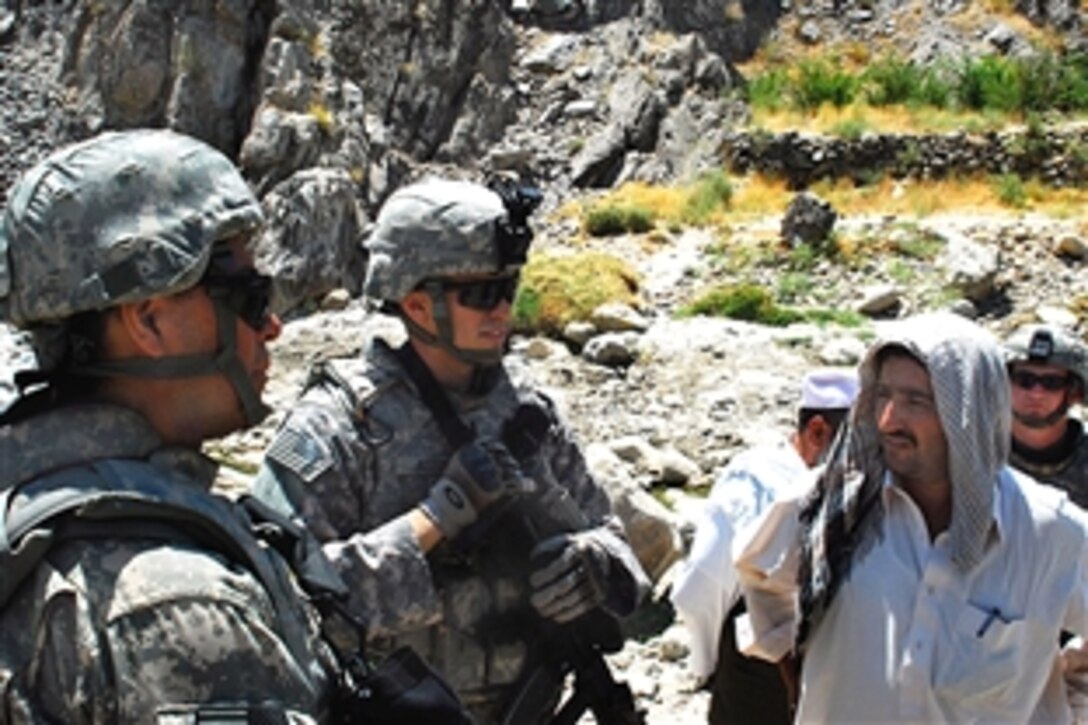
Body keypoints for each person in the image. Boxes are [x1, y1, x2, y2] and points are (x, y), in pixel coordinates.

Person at [253, 176, 649, 723]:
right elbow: (280, 604)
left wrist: (593, 567)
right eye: (481, 294)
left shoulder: (528, 410)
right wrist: (431, 521)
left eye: (507, 290)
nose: (501, 310)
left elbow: (618, 546)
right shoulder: (342, 423)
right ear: (417, 303)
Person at [0, 129, 342, 722]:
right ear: (150, 322)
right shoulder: (181, 604)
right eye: (251, 297)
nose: (274, 327)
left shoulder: (29, 493)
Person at [735, 312, 1088, 723]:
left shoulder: (1050, 534)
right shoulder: (824, 508)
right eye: (882, 395)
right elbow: (763, 586)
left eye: (916, 402)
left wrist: (1068, 706)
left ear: (970, 413)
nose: (888, 420)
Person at [670, 368, 857, 725]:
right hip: (763, 667)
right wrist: (709, 663)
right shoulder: (755, 478)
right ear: (817, 431)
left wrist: (706, 666)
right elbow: (703, 584)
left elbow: (700, 586)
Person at [1004, 324, 1088, 509]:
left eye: (1052, 383)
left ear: (1075, 393)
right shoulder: (977, 455)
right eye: (1024, 380)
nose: (1036, 393)